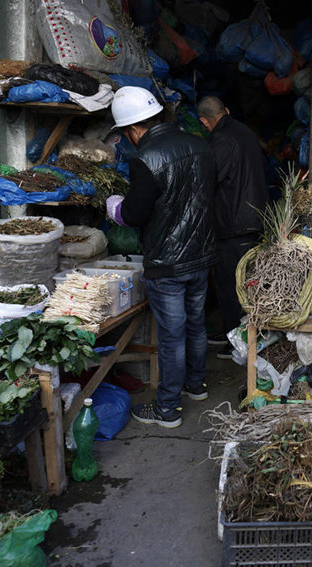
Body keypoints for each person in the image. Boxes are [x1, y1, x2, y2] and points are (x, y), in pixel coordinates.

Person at [105, 86, 217, 428]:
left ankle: (168, 409)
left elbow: (136, 213)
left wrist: (116, 209)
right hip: (200, 254)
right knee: (196, 325)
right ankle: (195, 386)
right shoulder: (200, 144)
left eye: (126, 135)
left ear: (134, 129)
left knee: (171, 336)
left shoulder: (146, 157)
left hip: (167, 262)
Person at [197, 96, 269, 360]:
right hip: (252, 216)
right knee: (241, 281)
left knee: (233, 284)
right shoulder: (243, 131)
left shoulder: (220, 140)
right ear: (226, 110)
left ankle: (237, 342)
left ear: (205, 121)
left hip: (236, 221)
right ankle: (231, 332)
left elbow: (209, 179)